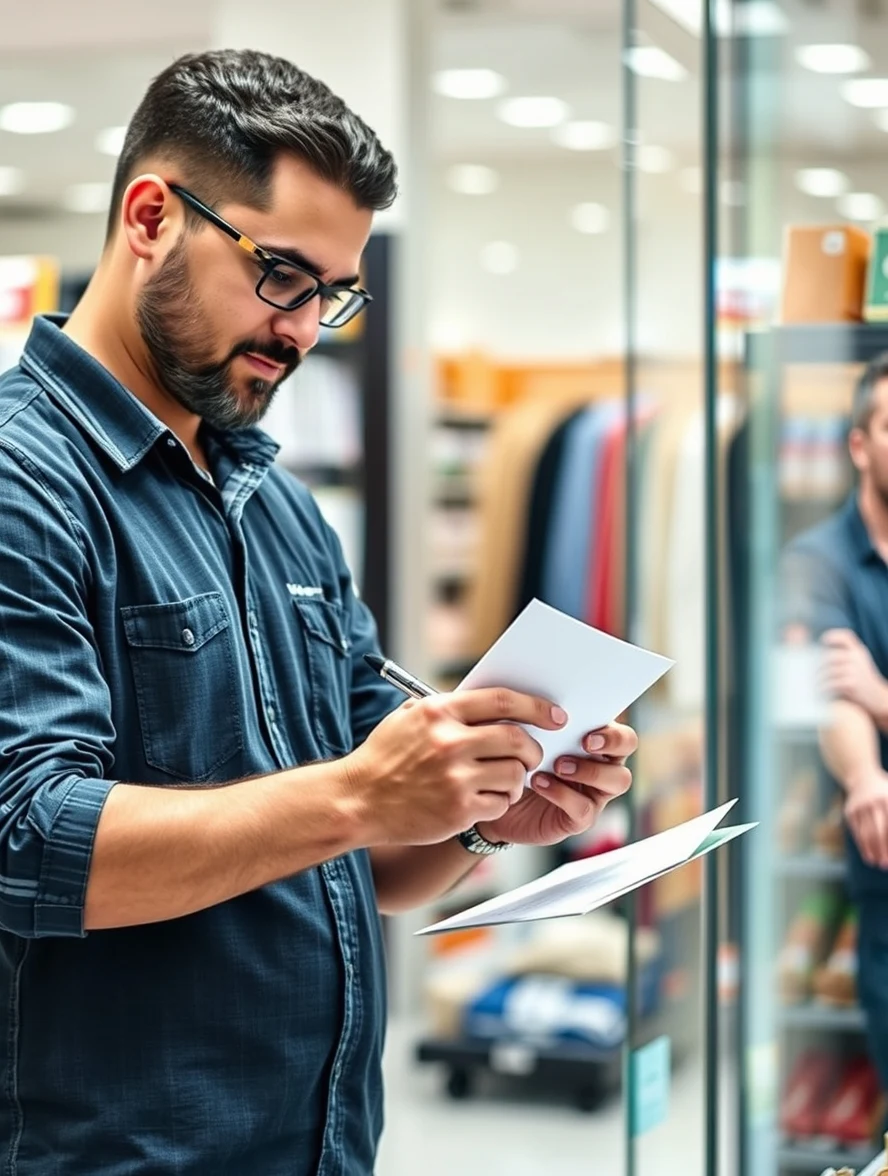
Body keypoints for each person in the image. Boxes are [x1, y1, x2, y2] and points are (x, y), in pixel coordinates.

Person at [0, 49, 637, 1176]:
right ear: (151, 215)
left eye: (332, 295)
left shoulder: (277, 502)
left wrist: (481, 808)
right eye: (281, 274)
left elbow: (362, 857)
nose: (301, 331)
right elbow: (31, 840)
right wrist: (357, 794)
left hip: (323, 1145)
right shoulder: (23, 477)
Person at [781, 352, 888, 1131]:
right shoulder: (814, 562)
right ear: (858, 444)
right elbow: (823, 697)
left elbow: (861, 693)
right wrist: (865, 781)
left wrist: (881, 696)